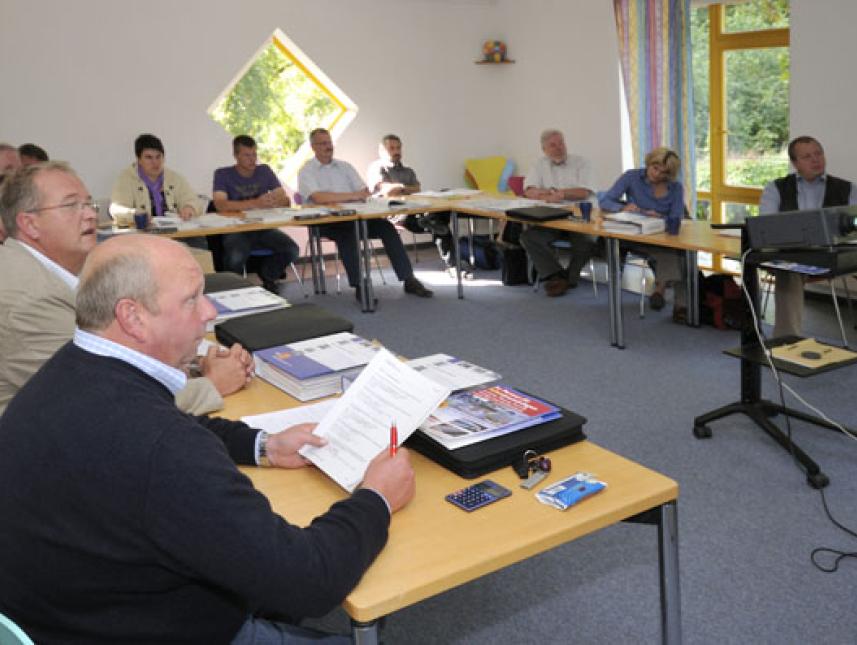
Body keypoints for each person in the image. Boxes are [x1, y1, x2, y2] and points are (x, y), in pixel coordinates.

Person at [0, 233, 415, 643]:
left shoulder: (72, 371)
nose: (210, 311)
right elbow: (311, 581)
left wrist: (263, 445)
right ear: (133, 317)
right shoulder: (162, 447)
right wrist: (375, 497)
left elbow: (169, 425)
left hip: (72, 613)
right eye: (191, 299)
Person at [0, 162, 252, 416]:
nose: (89, 214)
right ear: (30, 224)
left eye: (89, 204)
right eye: (71, 205)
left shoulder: (54, 267)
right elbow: (102, 399)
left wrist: (195, 362)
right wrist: (212, 384)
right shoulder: (26, 299)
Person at [298, 128, 432, 299]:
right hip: (326, 221)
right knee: (348, 234)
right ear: (313, 147)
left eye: (329, 142)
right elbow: (318, 197)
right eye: (323, 143)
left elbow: (364, 192)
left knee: (386, 227)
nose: (328, 146)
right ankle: (360, 285)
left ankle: (409, 279)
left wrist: (343, 197)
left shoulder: (345, 167)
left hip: (354, 216)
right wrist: (351, 196)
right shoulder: (307, 171)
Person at [759, 136, 857, 337]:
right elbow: (767, 226)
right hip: (793, 254)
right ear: (795, 163)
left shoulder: (848, 189)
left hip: (833, 254)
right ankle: (787, 340)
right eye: (807, 156)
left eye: (818, 154)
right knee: (787, 270)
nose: (816, 160)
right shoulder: (776, 188)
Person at [600, 147, 688, 322]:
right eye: (655, 168)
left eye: (664, 173)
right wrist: (622, 208)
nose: (657, 175)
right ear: (649, 163)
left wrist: (660, 217)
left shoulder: (675, 187)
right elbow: (605, 200)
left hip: (661, 235)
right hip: (635, 235)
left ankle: (671, 298)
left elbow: (677, 216)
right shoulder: (632, 177)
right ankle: (669, 296)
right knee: (672, 253)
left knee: (676, 252)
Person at [213, 135, 300, 294]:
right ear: (236, 155)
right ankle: (233, 290)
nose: (252, 159)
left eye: (254, 154)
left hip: (263, 227)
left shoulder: (264, 171)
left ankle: (268, 275)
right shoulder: (223, 174)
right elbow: (220, 204)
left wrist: (276, 201)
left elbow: (285, 200)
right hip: (236, 229)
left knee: (291, 250)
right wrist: (255, 203)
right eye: (247, 155)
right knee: (236, 256)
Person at [519, 129, 598, 297]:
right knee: (528, 237)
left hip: (580, 216)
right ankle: (556, 275)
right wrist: (546, 194)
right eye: (553, 145)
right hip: (551, 216)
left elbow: (584, 192)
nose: (559, 148)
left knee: (587, 241)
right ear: (544, 150)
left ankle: (569, 278)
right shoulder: (539, 164)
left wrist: (561, 194)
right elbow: (529, 191)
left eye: (561, 143)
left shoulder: (582, 163)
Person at [367, 133, 457, 271]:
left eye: (398, 148)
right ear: (382, 151)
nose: (396, 152)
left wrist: (399, 188)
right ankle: (453, 264)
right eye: (392, 148)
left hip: (414, 210)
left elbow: (417, 189)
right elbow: (387, 191)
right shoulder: (377, 168)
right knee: (436, 222)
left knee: (442, 212)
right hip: (392, 214)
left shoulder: (408, 170)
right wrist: (404, 188)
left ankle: (431, 222)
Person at [110, 133, 207, 248]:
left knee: (199, 241)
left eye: (158, 156)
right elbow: (116, 209)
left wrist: (189, 207)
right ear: (139, 159)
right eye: (149, 157)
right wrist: (135, 215)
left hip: (176, 233)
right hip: (144, 236)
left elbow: (192, 199)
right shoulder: (126, 178)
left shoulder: (174, 177)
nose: (155, 162)